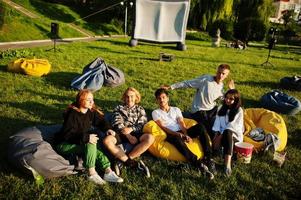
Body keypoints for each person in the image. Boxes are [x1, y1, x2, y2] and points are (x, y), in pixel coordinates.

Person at [55, 89, 123, 185]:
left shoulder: (90, 111)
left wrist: (108, 129)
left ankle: (108, 171)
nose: (92, 102)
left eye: (92, 99)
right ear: (81, 100)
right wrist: (86, 138)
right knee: (90, 141)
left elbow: (101, 121)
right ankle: (91, 173)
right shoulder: (72, 114)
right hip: (65, 144)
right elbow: (67, 135)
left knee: (93, 144)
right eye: (88, 100)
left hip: (78, 141)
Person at [152, 88, 216, 180]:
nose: (161, 100)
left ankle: (209, 158)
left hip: (182, 131)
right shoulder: (156, 112)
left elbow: (181, 123)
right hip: (170, 134)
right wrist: (179, 135)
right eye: (159, 98)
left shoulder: (176, 109)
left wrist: (187, 135)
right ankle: (198, 164)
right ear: (156, 100)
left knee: (200, 127)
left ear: (168, 98)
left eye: (163, 97)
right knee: (177, 139)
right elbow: (163, 128)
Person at [161, 64, 235, 140]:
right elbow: (187, 83)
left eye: (223, 74)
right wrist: (171, 87)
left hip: (211, 110)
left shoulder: (221, 86)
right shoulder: (206, 79)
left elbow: (226, 100)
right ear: (216, 71)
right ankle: (213, 145)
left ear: (227, 75)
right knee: (208, 129)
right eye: (219, 72)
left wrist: (232, 90)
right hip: (199, 110)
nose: (220, 75)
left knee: (220, 124)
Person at [103, 87, 154, 177]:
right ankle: (130, 163)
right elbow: (117, 123)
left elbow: (142, 124)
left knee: (150, 138)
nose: (129, 99)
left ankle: (124, 160)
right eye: (127, 96)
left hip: (135, 132)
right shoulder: (119, 108)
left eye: (131, 96)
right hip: (120, 133)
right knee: (107, 141)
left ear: (136, 98)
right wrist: (128, 136)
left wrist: (131, 129)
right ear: (124, 98)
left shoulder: (140, 109)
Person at [212, 89, 244, 177]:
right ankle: (216, 154)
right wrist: (215, 136)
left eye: (231, 99)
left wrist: (219, 137)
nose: (227, 100)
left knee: (227, 132)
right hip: (222, 134)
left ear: (236, 100)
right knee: (212, 132)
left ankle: (227, 165)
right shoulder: (220, 108)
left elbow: (232, 126)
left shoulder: (239, 111)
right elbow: (217, 124)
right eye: (226, 98)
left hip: (234, 136)